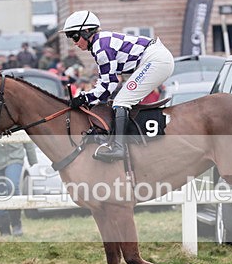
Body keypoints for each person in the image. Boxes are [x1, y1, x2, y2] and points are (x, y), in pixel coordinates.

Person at [62, 10, 175, 162]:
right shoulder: (100, 43)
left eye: (75, 36)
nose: (75, 43)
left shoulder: (101, 48)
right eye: (70, 38)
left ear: (87, 31)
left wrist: (84, 98)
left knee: (121, 101)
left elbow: (109, 84)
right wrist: (87, 97)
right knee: (122, 100)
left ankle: (119, 148)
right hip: (156, 58)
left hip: (156, 61)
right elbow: (106, 83)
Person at [0, 137, 38, 237]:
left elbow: (25, 134)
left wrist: (32, 159)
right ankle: (4, 230)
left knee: (12, 186)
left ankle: (16, 224)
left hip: (14, 155)